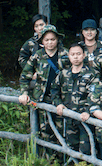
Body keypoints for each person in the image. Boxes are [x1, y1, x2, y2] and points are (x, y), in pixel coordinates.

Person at [18, 26, 69, 155]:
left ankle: (61, 160)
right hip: (42, 99)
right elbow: (25, 76)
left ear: (57, 39)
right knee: (44, 130)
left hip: (62, 99)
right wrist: (24, 93)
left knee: (62, 130)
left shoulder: (66, 54)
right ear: (42, 41)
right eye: (47, 40)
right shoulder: (37, 55)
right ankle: (46, 160)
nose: (50, 42)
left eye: (53, 39)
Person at [57, 42, 102, 158]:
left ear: (84, 55)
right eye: (73, 54)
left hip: (85, 118)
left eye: (78, 54)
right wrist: (58, 104)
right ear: (69, 56)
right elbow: (54, 90)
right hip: (68, 117)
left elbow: (95, 95)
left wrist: (88, 111)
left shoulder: (92, 74)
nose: (76, 57)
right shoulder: (63, 74)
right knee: (70, 148)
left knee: (86, 150)